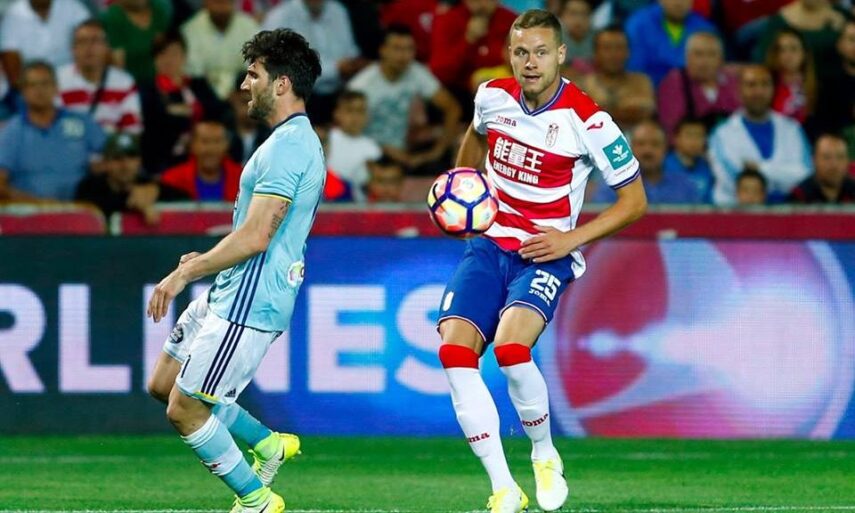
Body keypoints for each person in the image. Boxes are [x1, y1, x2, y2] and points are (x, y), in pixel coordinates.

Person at [438, 9, 646, 513]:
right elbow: (476, 136)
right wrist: (462, 191)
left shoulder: (589, 121)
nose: (530, 62)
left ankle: (544, 453)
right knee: (454, 352)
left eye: (540, 52)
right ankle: (503, 488)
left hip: (543, 254)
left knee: (511, 350)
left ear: (560, 55)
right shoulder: (491, 96)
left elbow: (635, 202)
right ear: (509, 55)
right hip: (488, 245)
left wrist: (570, 240)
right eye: (520, 52)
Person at [145, 28, 323, 513]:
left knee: (185, 409)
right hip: (233, 289)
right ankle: (266, 443)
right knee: (164, 385)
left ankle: (257, 499)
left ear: (282, 83)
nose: (244, 85)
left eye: (253, 75)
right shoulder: (285, 141)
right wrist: (205, 262)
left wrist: (186, 274)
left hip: (250, 301)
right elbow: (252, 231)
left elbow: (257, 235)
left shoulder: (289, 147)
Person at [348, 24, 461, 173]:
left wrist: (437, 152)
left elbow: (452, 108)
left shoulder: (416, 72)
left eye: (409, 49)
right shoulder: (361, 85)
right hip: (369, 153)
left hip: (407, 152)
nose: (404, 55)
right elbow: (348, 131)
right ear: (382, 50)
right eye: (397, 48)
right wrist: (384, 149)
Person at [0, 61, 105, 202]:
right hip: (29, 211)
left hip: (80, 210)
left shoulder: (81, 122)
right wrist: (40, 204)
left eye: (45, 84)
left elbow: (112, 158)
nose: (39, 90)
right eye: (32, 85)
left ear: (56, 88)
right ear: (23, 92)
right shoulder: (12, 131)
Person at [708, 65, 811, 205]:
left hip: (786, 211)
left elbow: (804, 175)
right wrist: (781, 175)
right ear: (739, 91)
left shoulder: (792, 129)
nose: (759, 91)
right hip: (735, 212)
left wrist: (760, 168)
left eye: (765, 84)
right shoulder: (721, 134)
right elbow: (731, 178)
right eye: (751, 85)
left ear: (773, 89)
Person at [262, 0, 365, 123]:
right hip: (299, 97)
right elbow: (281, 69)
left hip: (338, 92)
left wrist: (352, 63)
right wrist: (335, 69)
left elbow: (351, 51)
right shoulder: (280, 17)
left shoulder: (338, 11)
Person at [138, 31, 224, 174]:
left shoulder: (199, 85)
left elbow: (217, 112)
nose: (169, 60)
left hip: (203, 157)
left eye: (174, 54)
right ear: (155, 59)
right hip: (164, 161)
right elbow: (155, 123)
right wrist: (190, 111)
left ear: (184, 56)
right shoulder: (148, 91)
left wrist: (181, 111)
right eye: (162, 54)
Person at [75, 132, 188, 223]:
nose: (125, 165)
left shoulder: (147, 184)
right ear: (105, 162)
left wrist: (157, 190)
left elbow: (186, 201)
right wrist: (133, 202)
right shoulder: (90, 187)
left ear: (139, 161)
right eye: (117, 158)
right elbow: (98, 207)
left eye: (131, 157)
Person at [58, 19, 143, 135]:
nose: (89, 47)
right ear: (73, 49)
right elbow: (54, 126)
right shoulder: (58, 80)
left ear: (106, 47)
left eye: (95, 41)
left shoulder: (125, 83)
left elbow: (132, 130)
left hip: (111, 146)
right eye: (82, 42)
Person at [590, 119, 700, 204]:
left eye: (655, 144)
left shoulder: (685, 186)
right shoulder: (613, 186)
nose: (647, 150)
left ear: (665, 148)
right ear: (630, 149)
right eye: (641, 144)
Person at [657, 32, 740, 140]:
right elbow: (671, 130)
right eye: (698, 54)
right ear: (687, 57)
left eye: (711, 55)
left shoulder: (734, 83)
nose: (704, 61)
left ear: (721, 59)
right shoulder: (674, 83)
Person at [574, 25, 655, 131]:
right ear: (595, 53)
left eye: (619, 48)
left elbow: (644, 112)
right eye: (607, 48)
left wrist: (600, 110)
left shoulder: (641, 82)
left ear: (628, 52)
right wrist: (626, 111)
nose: (613, 54)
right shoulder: (582, 85)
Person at [624, 0, 717, 86]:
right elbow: (634, 72)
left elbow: (712, 75)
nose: (679, 3)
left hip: (694, 95)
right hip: (649, 93)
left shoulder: (705, 29)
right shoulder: (638, 25)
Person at [181, 0, 260, 100]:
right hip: (205, 98)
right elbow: (194, 75)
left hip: (243, 95)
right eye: (217, 2)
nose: (221, 9)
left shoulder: (249, 27)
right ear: (206, 3)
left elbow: (255, 68)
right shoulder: (190, 30)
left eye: (226, 2)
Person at [0, 0, 89, 86]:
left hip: (73, 77)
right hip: (33, 83)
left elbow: (91, 39)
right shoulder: (13, 16)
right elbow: (12, 66)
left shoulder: (72, 7)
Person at [160, 119, 242, 202]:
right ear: (192, 145)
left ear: (227, 146)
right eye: (205, 141)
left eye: (217, 141)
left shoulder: (242, 178)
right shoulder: (172, 180)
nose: (211, 149)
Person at [326, 90, 382, 201]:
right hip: (325, 202)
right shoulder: (326, 139)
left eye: (360, 111)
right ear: (337, 113)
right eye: (350, 110)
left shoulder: (373, 149)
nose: (355, 117)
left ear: (367, 115)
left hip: (358, 205)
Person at [100, 0, 173, 83]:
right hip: (136, 82)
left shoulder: (161, 6)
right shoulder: (111, 18)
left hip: (167, 77)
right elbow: (118, 65)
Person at [764, 28, 816, 123]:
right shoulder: (766, 83)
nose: (787, 55)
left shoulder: (818, 86)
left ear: (804, 53)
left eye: (793, 49)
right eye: (782, 50)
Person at [789, 133, 855, 203]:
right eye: (827, 157)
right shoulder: (800, 195)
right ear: (814, 160)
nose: (834, 164)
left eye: (840, 157)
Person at [664, 117, 713, 201]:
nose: (694, 141)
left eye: (699, 135)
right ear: (676, 139)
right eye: (689, 135)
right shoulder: (663, 166)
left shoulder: (708, 168)